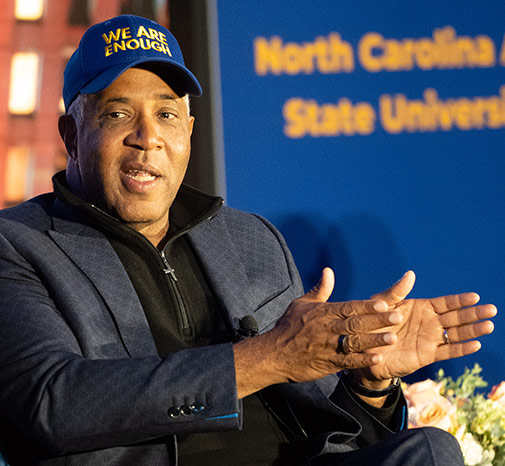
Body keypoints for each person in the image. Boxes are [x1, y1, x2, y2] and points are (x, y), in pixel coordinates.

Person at [0, 14, 496, 466]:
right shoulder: (21, 244)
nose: (147, 136)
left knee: (430, 450)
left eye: (167, 115)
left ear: (189, 132)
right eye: (118, 114)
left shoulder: (249, 238)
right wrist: (267, 357)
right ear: (71, 135)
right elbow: (52, 402)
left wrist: (369, 381)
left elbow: (331, 430)